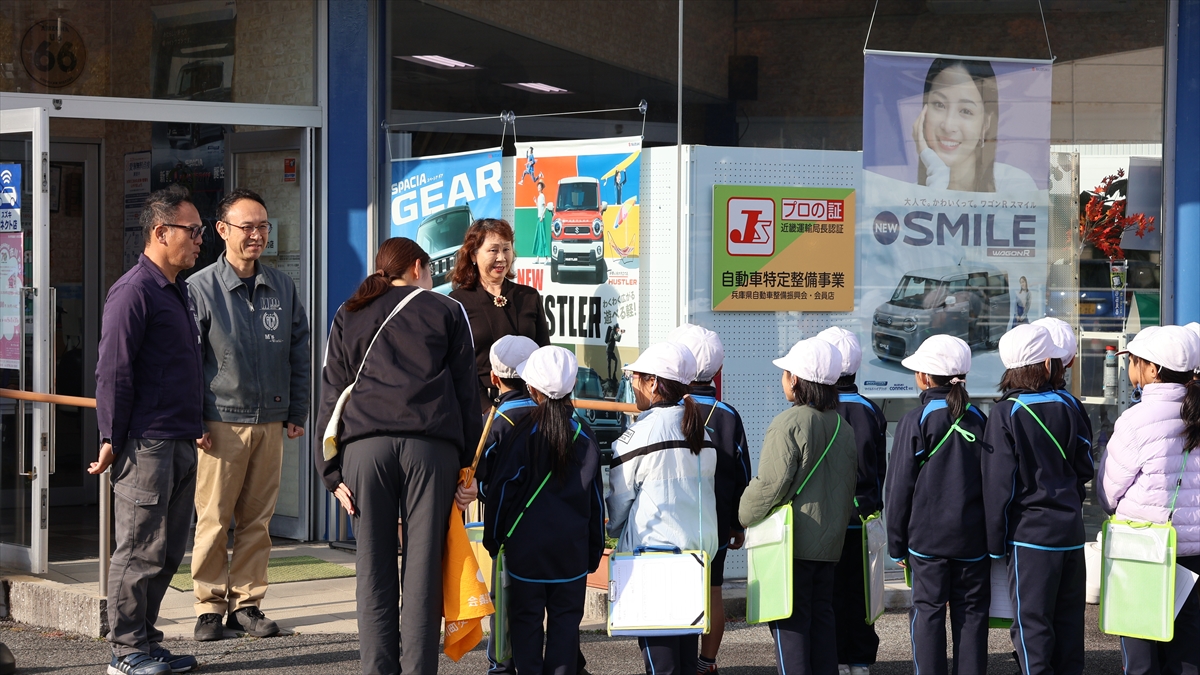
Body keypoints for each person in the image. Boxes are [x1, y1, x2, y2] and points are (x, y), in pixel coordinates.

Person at [314, 237, 482, 675]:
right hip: (431, 451)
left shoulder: (348, 312)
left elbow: (332, 393)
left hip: (365, 450)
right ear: (418, 268)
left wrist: (330, 471)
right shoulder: (446, 310)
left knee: (372, 567)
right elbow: (467, 394)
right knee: (424, 567)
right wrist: (469, 470)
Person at [187, 188, 311, 641]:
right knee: (215, 518)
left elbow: (300, 347)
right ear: (222, 231)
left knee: (259, 520)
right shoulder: (199, 288)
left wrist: (297, 408)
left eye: (263, 226)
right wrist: (193, 419)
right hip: (219, 419)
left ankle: (248, 604)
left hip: (271, 419)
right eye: (248, 226)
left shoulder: (282, 284)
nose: (257, 234)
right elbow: (187, 360)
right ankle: (207, 606)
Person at [89, 185, 204, 675]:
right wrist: (112, 436)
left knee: (167, 549)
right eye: (193, 231)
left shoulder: (175, 290)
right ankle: (125, 652)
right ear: (161, 231)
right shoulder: (133, 290)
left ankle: (146, 640)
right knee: (138, 549)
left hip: (179, 437)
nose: (201, 240)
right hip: (146, 442)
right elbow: (113, 369)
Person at [740, 338, 858, 675]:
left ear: (795, 380)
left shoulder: (788, 423)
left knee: (789, 626)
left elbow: (770, 486)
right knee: (822, 623)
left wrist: (743, 515)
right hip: (829, 544)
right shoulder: (843, 427)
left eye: (785, 373)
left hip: (791, 544)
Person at [484, 346, 605, 675]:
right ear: (572, 387)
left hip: (526, 552)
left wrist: (494, 540)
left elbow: (503, 491)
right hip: (572, 552)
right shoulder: (586, 436)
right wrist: (593, 552)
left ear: (532, 388)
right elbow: (595, 500)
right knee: (566, 628)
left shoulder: (521, 434)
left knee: (525, 625)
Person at [982, 323, 1093, 675]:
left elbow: (999, 484)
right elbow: (1085, 465)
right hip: (1071, 532)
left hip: (1030, 536)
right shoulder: (1070, 405)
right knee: (1070, 622)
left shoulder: (1004, 412)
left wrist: (995, 543)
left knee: (1032, 625)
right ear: (1047, 366)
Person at [607, 342, 719, 675]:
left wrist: (613, 531)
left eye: (636, 378)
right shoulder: (703, 431)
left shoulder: (637, 436)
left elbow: (619, 503)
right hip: (697, 557)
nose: (634, 386)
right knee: (684, 659)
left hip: (653, 560)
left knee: (662, 664)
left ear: (654, 383)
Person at [885, 335, 990, 675]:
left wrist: (897, 543)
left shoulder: (917, 420)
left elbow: (899, 486)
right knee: (972, 615)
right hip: (973, 541)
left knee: (928, 613)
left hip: (927, 542)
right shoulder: (980, 419)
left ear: (926, 378)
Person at [1099, 325, 1200, 675]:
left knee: (1141, 657)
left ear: (1152, 370)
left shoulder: (1136, 420)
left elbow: (1110, 493)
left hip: (1144, 551)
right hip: (1195, 556)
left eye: (1135, 362)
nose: (1131, 369)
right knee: (1188, 656)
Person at [668, 324, 751, 675]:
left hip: (674, 519)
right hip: (715, 522)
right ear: (717, 369)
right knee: (713, 589)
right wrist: (737, 523)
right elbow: (742, 474)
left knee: (673, 591)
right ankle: (706, 662)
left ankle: (674, 660)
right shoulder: (728, 415)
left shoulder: (668, 412)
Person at [815, 327, 886, 675]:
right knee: (861, 594)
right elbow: (880, 468)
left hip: (825, 520)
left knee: (827, 597)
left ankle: (835, 659)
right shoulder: (871, 411)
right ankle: (860, 661)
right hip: (863, 517)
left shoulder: (817, 411)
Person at [449, 218, 550, 413]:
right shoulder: (458, 301)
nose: (502, 258)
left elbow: (544, 352)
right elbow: (457, 364)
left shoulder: (529, 296)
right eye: (493, 250)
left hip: (530, 403)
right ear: (473, 255)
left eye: (506, 249)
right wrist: (486, 410)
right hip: (479, 405)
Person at [912, 58, 1037, 193]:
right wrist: (937, 172)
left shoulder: (1014, 185)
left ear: (985, 125)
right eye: (939, 105)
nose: (948, 125)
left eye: (966, 111)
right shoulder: (906, 197)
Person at [532, 181, 553, 264]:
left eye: (540, 186)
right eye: (538, 186)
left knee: (542, 237)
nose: (539, 188)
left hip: (541, 219)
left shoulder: (542, 196)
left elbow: (545, 207)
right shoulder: (539, 196)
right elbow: (539, 207)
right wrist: (535, 202)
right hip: (539, 218)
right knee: (538, 237)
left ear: (542, 188)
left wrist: (542, 216)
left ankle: (547, 259)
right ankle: (537, 258)